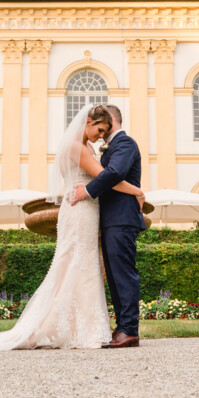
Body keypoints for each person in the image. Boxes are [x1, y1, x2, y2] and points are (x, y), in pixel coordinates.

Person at [0, 104, 144, 352]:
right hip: (81, 210)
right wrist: (136, 190)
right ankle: (83, 328)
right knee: (77, 265)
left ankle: (102, 328)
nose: (101, 136)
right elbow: (107, 175)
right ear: (88, 121)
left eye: (105, 132)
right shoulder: (76, 147)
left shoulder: (98, 146)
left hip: (90, 211)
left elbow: (106, 176)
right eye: (99, 130)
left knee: (86, 267)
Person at [70, 104, 147, 348]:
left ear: (111, 119)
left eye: (104, 128)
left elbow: (114, 172)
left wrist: (87, 190)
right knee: (114, 276)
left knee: (123, 274)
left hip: (121, 219)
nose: (101, 135)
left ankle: (129, 330)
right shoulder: (112, 146)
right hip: (112, 219)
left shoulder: (125, 143)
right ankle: (122, 328)